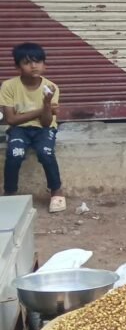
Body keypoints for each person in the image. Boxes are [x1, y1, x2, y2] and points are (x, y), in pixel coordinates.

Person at [1, 43, 65, 213]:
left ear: (45, 65)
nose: (33, 66)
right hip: (19, 129)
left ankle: (56, 191)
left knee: (46, 153)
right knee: (15, 154)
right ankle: (10, 193)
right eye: (27, 62)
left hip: (44, 129)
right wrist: (43, 109)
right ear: (18, 67)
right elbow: (11, 119)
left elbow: (46, 123)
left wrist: (46, 103)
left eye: (38, 61)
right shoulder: (8, 86)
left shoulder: (51, 88)